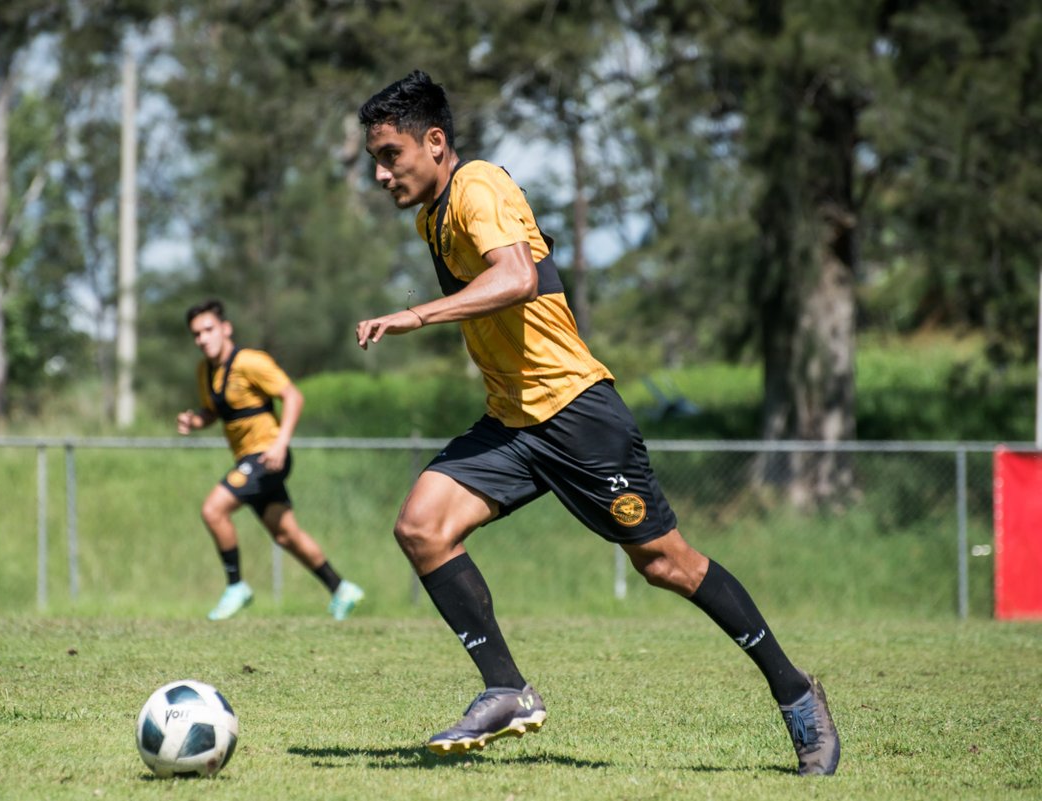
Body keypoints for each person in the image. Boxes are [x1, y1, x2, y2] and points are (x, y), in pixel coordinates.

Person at [354, 71, 839, 775]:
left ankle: (798, 698)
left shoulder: (479, 185)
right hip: (514, 423)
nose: (379, 172)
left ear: (435, 142)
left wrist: (415, 314)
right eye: (375, 157)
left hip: (578, 415)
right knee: (422, 525)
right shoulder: (434, 215)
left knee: (666, 562)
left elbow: (516, 274)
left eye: (390, 154)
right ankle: (505, 688)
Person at [178, 299, 364, 621]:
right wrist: (195, 421)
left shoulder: (251, 362)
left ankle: (236, 586)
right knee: (285, 534)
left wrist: (280, 444)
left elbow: (293, 396)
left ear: (225, 328)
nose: (203, 339)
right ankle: (341, 588)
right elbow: (216, 411)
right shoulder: (205, 372)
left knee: (213, 509)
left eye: (208, 330)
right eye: (196, 334)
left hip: (267, 455)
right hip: (249, 458)